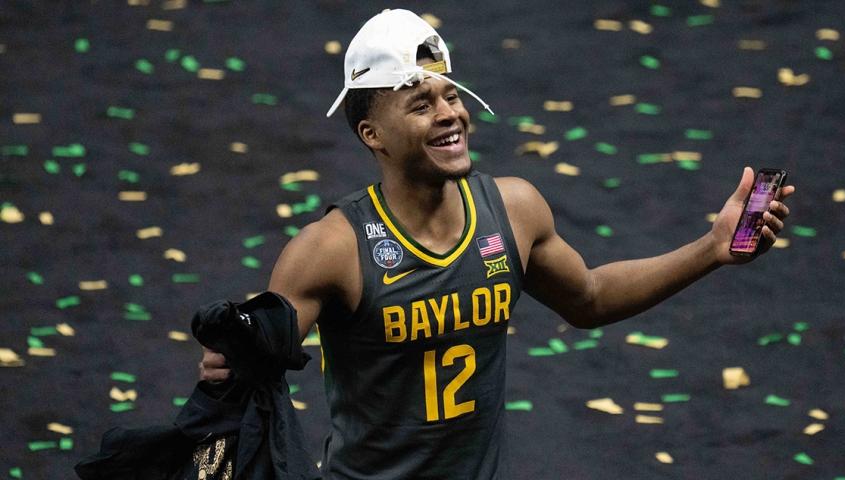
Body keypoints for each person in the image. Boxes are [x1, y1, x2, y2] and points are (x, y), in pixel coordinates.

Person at [200, 9, 795, 479]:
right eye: (421, 104)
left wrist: (712, 248)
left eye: (451, 96)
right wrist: (229, 363)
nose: (449, 114)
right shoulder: (332, 249)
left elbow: (589, 297)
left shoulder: (513, 209)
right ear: (372, 133)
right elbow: (241, 392)